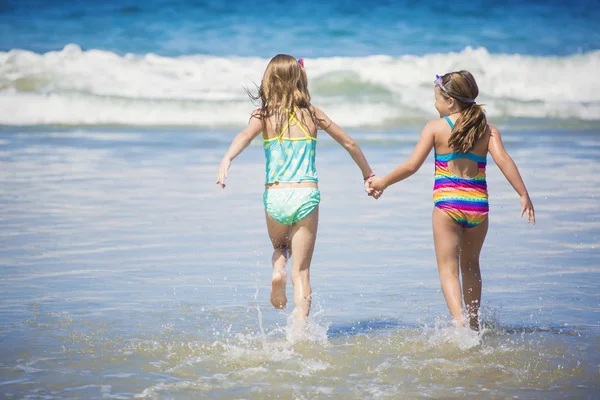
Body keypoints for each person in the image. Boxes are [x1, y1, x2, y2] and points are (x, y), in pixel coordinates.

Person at [216, 54, 379, 320]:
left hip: (276, 195)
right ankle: (300, 331)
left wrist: (227, 158)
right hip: (306, 195)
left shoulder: (263, 115)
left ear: (269, 81)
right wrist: (368, 174)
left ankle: (277, 269)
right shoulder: (312, 114)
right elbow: (349, 143)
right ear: (300, 80)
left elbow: (244, 136)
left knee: (280, 247)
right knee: (302, 272)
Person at [368, 70, 535, 330]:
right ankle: (474, 323)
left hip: (447, 206)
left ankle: (459, 323)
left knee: (448, 269)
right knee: (471, 265)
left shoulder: (435, 128)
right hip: (478, 207)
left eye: (436, 98)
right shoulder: (488, 131)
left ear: (450, 102)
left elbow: (412, 166)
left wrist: (382, 182)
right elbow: (504, 160)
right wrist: (523, 193)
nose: (434, 104)